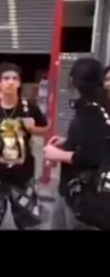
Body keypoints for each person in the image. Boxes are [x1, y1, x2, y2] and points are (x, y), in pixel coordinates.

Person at [0, 61, 49, 230]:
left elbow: (45, 128)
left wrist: (32, 128)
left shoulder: (29, 108)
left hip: (23, 173)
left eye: (15, 78)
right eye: (6, 78)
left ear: (19, 83)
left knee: (27, 221)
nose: (11, 82)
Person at [44, 57, 110, 230]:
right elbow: (96, 140)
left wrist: (57, 154)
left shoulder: (91, 111)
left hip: (82, 195)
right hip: (70, 191)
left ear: (73, 81)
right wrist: (68, 142)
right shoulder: (97, 106)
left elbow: (93, 156)